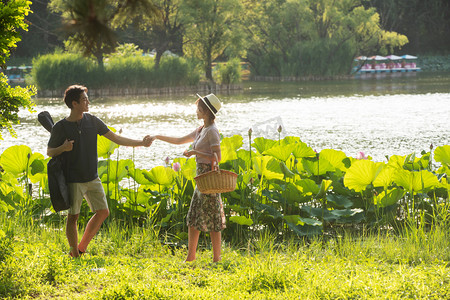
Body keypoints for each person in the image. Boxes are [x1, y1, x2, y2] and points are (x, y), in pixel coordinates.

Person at [47, 85, 154, 258]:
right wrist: (63, 147)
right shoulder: (60, 127)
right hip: (74, 179)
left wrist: (141, 143)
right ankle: (74, 253)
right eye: (84, 100)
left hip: (92, 176)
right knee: (73, 217)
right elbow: (50, 152)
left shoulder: (93, 121)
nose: (88, 102)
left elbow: (116, 138)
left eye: (87, 99)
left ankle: (81, 248)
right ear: (74, 103)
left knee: (103, 212)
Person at [152, 93, 226, 262]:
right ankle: (191, 257)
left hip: (209, 177)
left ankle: (215, 259)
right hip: (200, 178)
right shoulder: (202, 129)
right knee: (194, 216)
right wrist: (158, 137)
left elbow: (218, 158)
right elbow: (179, 140)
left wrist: (195, 152)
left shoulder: (212, 131)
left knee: (213, 218)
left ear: (206, 111)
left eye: (198, 108)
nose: (196, 110)